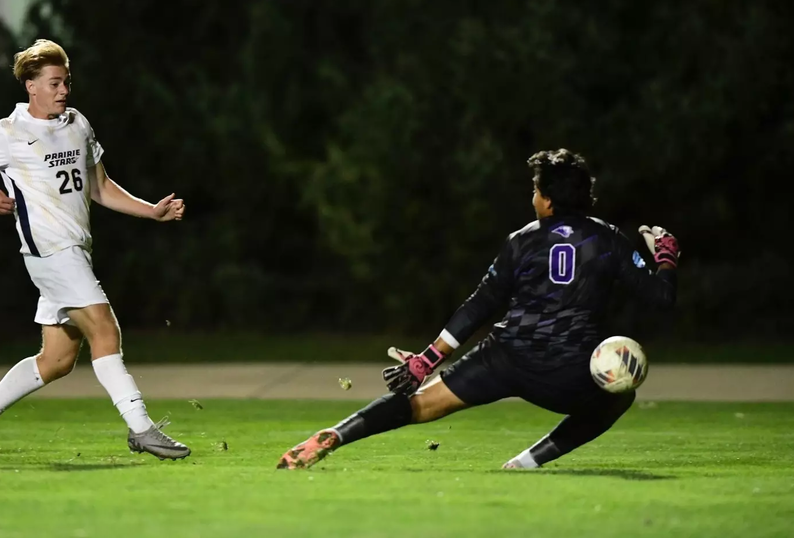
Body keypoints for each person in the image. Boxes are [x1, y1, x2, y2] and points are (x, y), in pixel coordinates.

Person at [278, 148, 678, 470]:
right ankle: (528, 461)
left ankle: (337, 434)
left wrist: (427, 359)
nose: (533, 197)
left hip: (503, 357)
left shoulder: (521, 240)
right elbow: (661, 297)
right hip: (566, 369)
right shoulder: (607, 239)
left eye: (536, 190)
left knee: (419, 405)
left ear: (549, 200)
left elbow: (481, 304)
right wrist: (666, 258)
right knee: (617, 395)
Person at [0, 39, 190, 462]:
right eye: (55, 83)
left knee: (58, 360)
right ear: (31, 86)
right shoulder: (7, 133)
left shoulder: (78, 124)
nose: (64, 91)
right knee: (105, 328)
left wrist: (150, 211)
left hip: (76, 250)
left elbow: (99, 187)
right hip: (48, 252)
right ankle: (141, 428)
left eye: (67, 82)